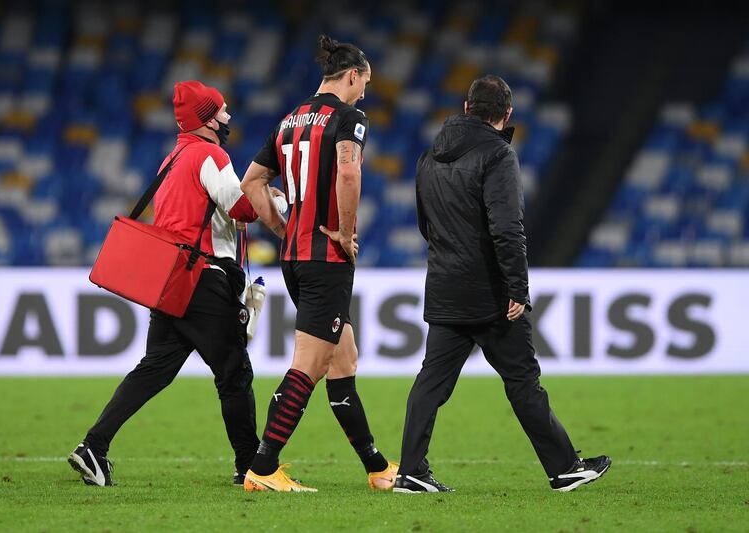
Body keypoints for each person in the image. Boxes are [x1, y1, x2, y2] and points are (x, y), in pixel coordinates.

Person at [394, 75, 611, 493]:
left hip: (444, 283)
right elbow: (507, 229)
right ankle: (565, 468)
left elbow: (426, 224)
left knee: (430, 381)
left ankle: (410, 470)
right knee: (522, 379)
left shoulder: (428, 156)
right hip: (490, 293)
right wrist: (517, 287)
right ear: (506, 114)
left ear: (465, 106)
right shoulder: (498, 155)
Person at [68, 80, 284, 487]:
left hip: (171, 279)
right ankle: (251, 468)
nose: (228, 118)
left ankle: (93, 446)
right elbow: (241, 209)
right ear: (205, 120)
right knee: (234, 374)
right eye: (221, 111)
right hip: (203, 279)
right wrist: (267, 199)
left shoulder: (171, 160)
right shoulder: (211, 154)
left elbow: (201, 215)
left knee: (154, 370)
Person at [238, 34, 398, 492]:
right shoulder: (350, 118)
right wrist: (346, 233)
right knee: (307, 365)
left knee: (341, 360)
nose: (364, 92)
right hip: (326, 257)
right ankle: (263, 467)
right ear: (352, 76)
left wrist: (283, 230)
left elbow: (252, 183)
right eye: (364, 83)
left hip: (295, 256)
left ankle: (377, 467)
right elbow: (349, 172)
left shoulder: (289, 120)